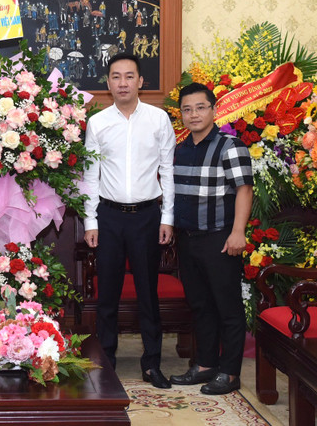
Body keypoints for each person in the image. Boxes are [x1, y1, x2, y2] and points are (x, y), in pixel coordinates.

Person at [82, 52, 175, 389]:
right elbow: (90, 176)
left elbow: (168, 171)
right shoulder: (98, 122)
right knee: (107, 294)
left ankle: (152, 363)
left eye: (129, 76)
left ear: (140, 81)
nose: (122, 83)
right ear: (108, 83)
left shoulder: (158, 119)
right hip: (108, 217)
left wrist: (168, 217)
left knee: (148, 294)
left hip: (148, 217)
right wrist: (90, 221)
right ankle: (106, 360)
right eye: (116, 77)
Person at [169, 83, 253, 395]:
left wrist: (238, 232)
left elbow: (245, 189)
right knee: (200, 305)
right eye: (187, 109)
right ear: (182, 114)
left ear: (214, 110)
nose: (194, 114)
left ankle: (230, 372)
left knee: (227, 307)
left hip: (220, 238)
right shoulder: (181, 149)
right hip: (188, 239)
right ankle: (205, 365)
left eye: (200, 107)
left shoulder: (230, 146)